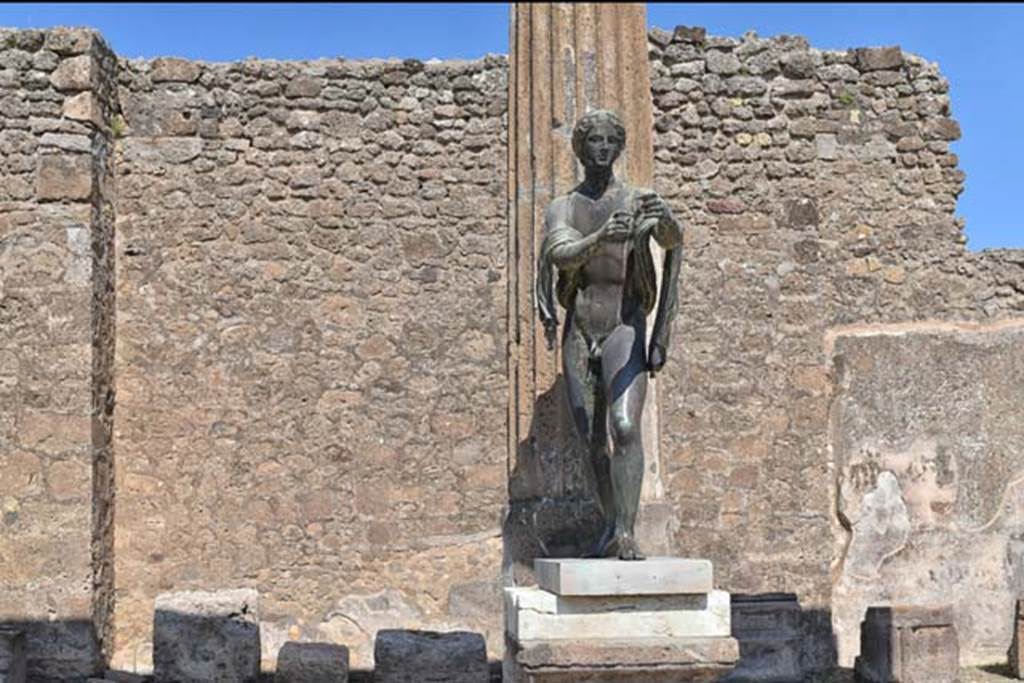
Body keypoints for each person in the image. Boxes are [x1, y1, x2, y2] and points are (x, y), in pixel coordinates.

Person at [536, 109, 683, 560]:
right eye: (593, 141)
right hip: (582, 328)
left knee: (624, 426)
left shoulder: (638, 199)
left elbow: (672, 242)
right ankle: (608, 522)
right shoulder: (564, 207)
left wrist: (667, 222)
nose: (601, 148)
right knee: (590, 439)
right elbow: (560, 253)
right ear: (580, 149)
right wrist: (600, 237)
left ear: (619, 148)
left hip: (624, 323)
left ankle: (626, 531)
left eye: (608, 141)